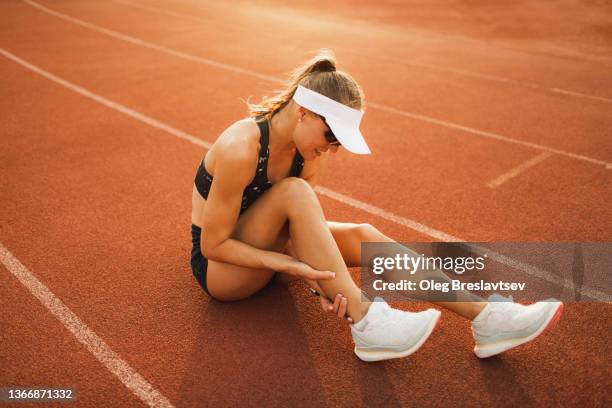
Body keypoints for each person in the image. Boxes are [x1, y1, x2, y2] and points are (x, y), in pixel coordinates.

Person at [190, 49, 563, 362]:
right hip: (222, 270)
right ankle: (367, 322)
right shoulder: (242, 147)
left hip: (266, 252)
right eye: (331, 135)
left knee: (363, 235)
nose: (332, 148)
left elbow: (296, 232)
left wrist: (320, 282)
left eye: (340, 142)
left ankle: (486, 317)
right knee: (294, 194)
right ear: (302, 111)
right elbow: (213, 245)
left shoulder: (309, 154)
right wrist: (295, 267)